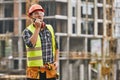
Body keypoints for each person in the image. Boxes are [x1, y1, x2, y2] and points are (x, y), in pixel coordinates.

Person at [22, 4, 59, 80]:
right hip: (35, 72)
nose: (39, 15)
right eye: (35, 14)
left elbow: (56, 46)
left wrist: (57, 61)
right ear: (31, 17)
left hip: (49, 71)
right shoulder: (27, 31)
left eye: (40, 13)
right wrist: (37, 28)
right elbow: (31, 44)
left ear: (43, 15)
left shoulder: (50, 28)